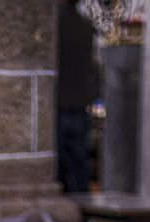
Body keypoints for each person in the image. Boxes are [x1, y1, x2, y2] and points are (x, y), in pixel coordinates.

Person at [56, 0, 98, 195]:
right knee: (79, 166)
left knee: (58, 169)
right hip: (80, 105)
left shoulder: (55, 26)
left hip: (58, 106)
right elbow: (92, 70)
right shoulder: (86, 27)